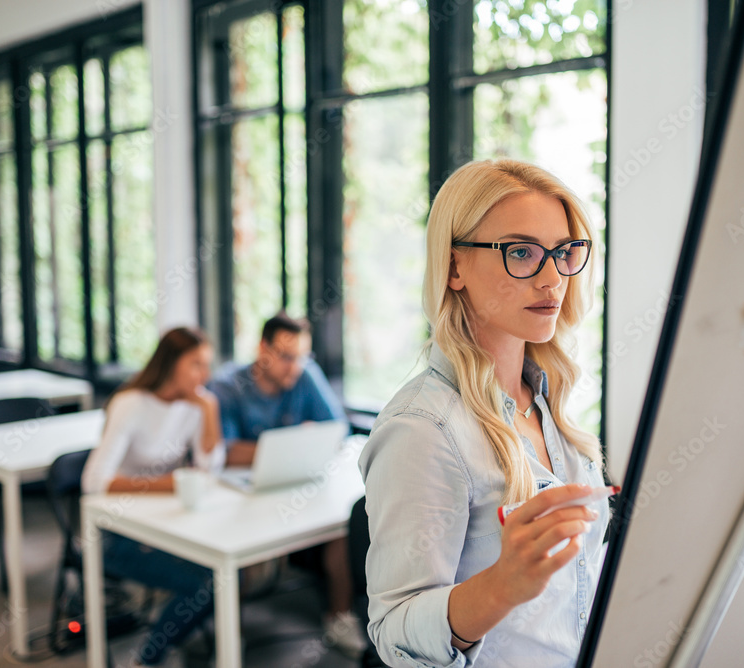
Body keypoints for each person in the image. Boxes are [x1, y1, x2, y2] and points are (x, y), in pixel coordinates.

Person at [359, 159, 611, 666]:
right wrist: (501, 586)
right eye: (521, 252)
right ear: (454, 267)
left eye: (564, 253)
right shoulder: (422, 429)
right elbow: (394, 635)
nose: (551, 278)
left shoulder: (547, 402)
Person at [209, 312, 366, 657]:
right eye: (285, 356)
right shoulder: (227, 386)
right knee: (241, 544)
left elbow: (337, 429)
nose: (294, 367)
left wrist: (281, 445)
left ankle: (338, 617)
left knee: (341, 525)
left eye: (301, 357)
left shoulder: (304, 375)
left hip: (296, 483)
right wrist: (293, 440)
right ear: (261, 349)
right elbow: (224, 452)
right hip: (242, 494)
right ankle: (228, 635)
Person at [82, 327, 223, 667]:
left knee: (230, 573)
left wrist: (209, 410)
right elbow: (93, 480)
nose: (204, 375)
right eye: (195, 365)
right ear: (171, 363)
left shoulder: (195, 405)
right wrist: (168, 484)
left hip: (168, 524)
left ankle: (180, 636)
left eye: (207, 366)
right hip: (119, 533)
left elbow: (210, 468)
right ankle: (148, 658)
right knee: (206, 583)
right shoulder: (130, 403)